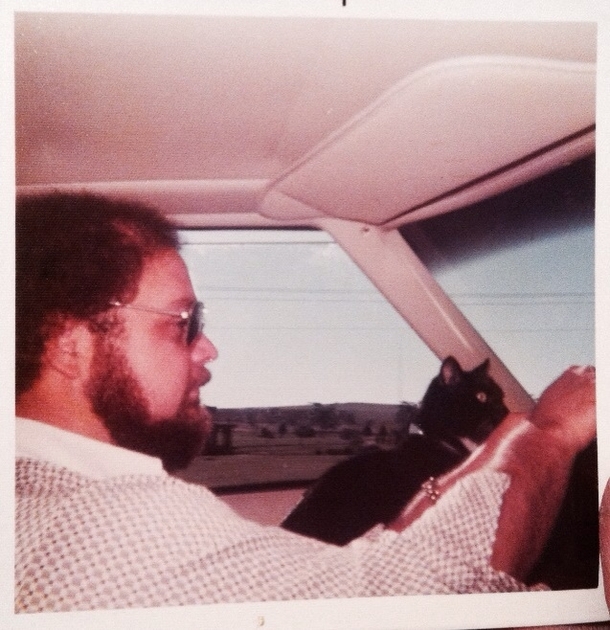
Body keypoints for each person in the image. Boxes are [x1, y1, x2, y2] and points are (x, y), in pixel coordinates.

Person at [15, 192, 596, 613]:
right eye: (184, 323)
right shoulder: (110, 525)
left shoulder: (40, 499)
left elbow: (351, 581)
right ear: (71, 348)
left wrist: (456, 479)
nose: (208, 348)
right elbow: (430, 602)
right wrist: (549, 432)